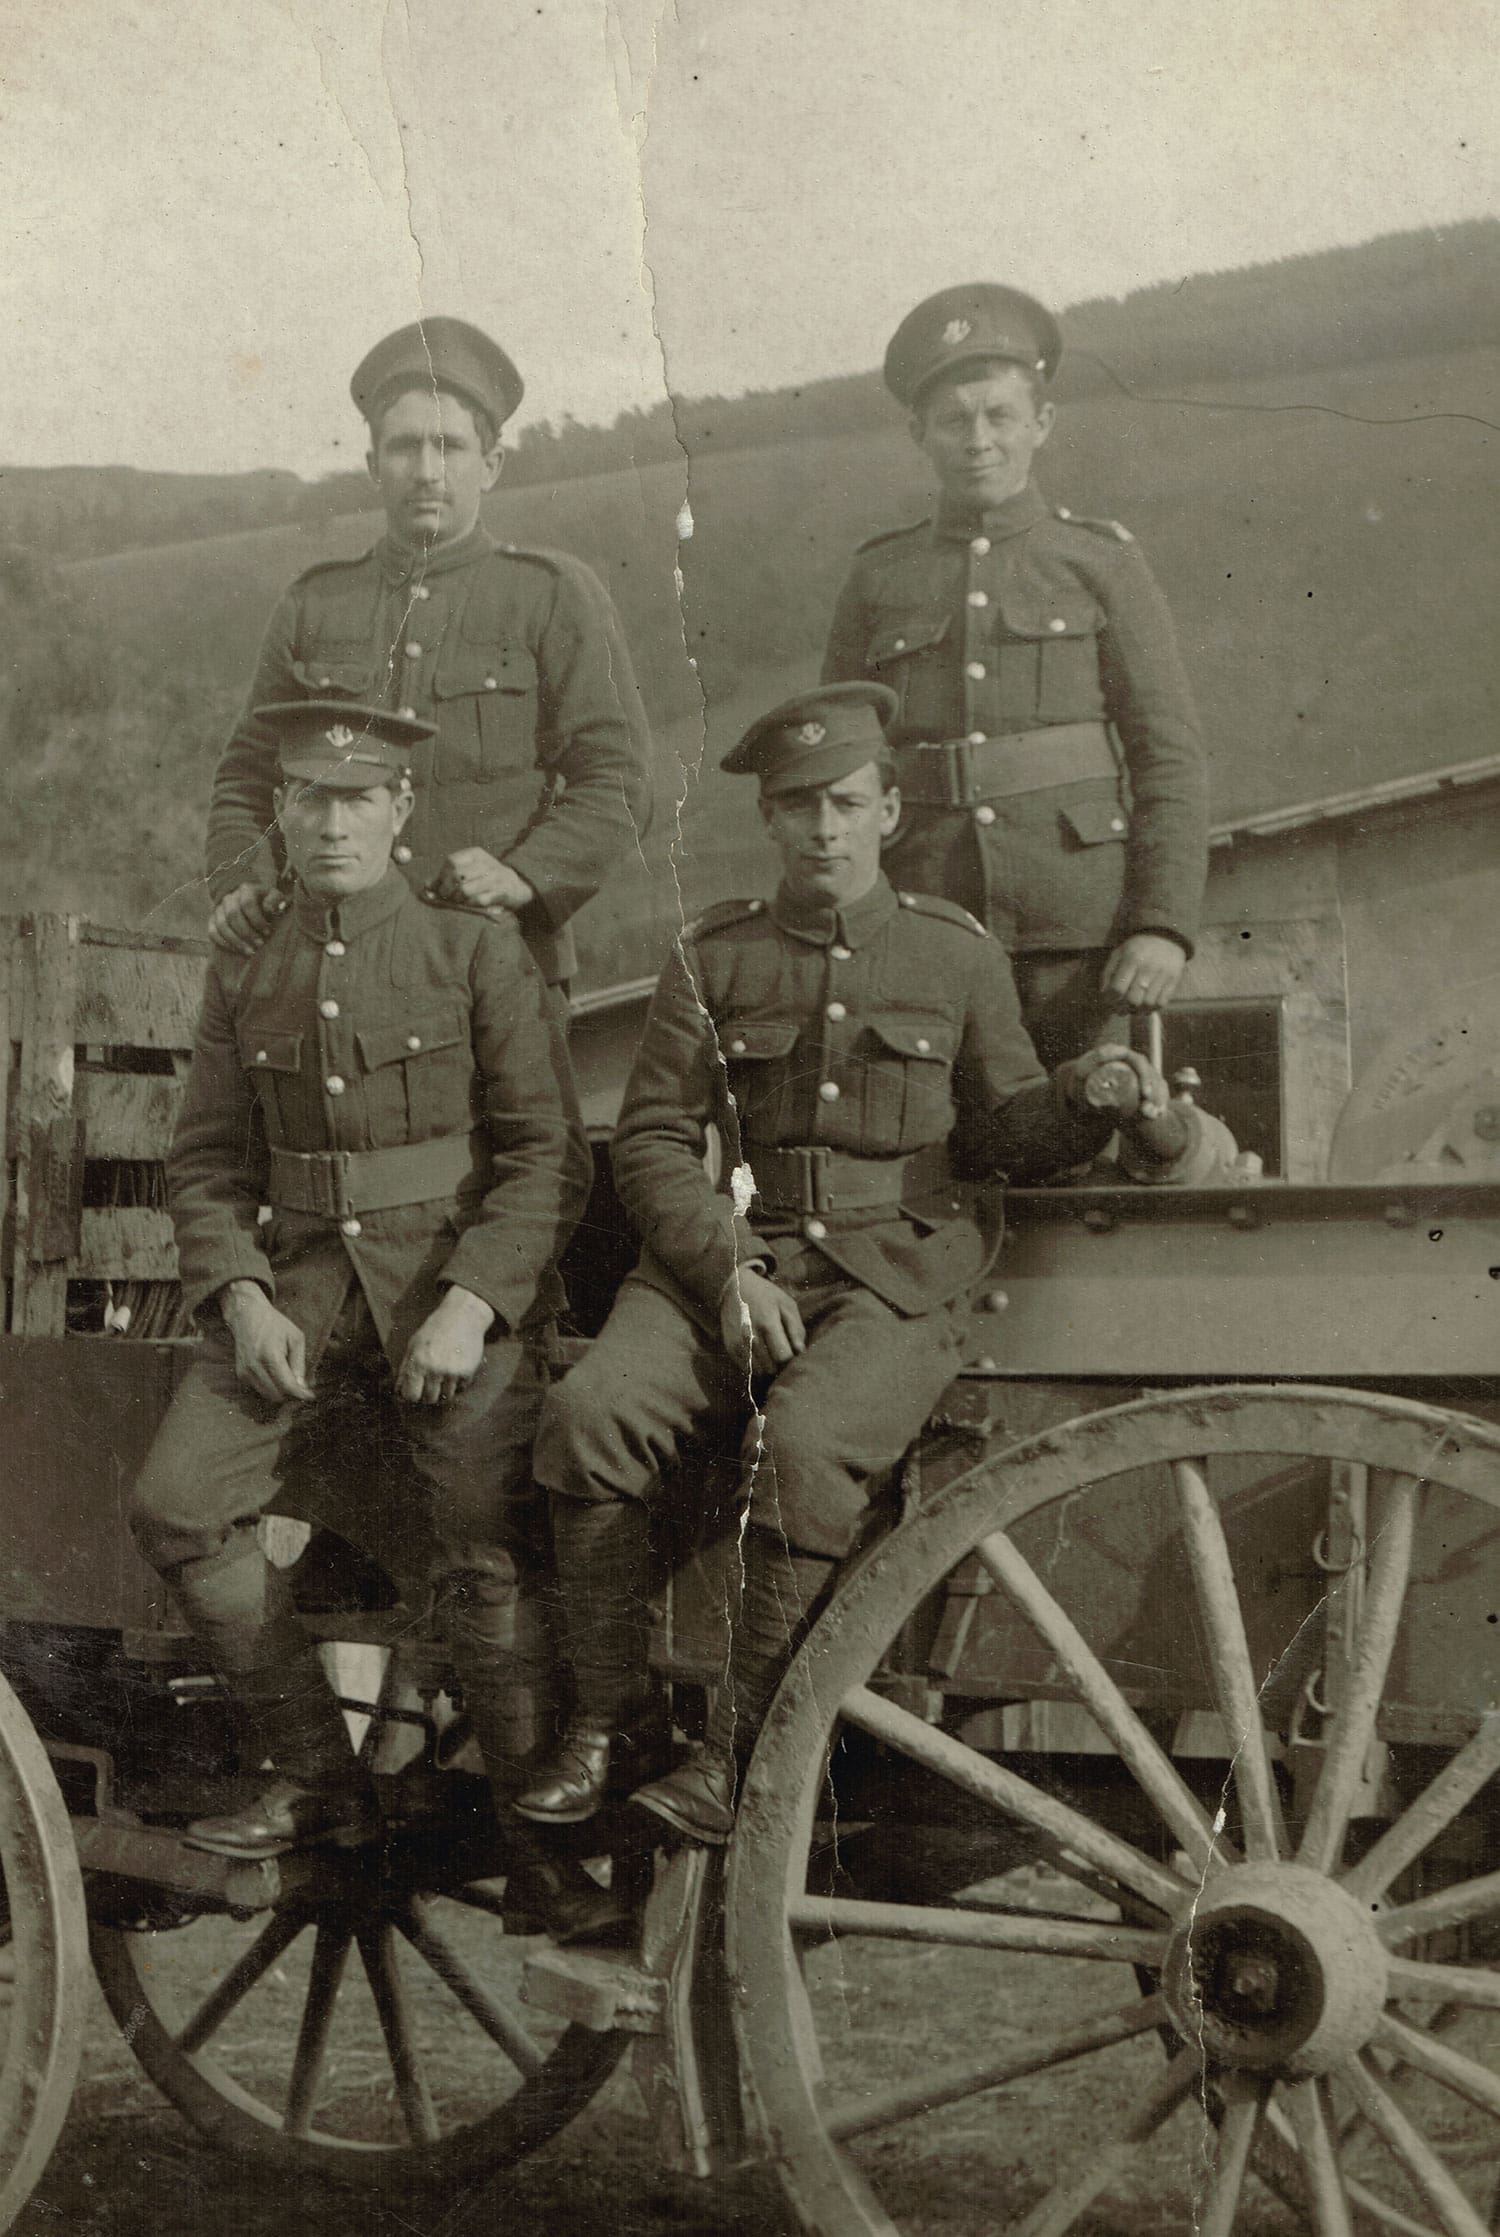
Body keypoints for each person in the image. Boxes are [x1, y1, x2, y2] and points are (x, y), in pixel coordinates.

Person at [512, 682, 1168, 1844]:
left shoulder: (954, 953)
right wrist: (725, 1270)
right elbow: (657, 1136)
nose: (822, 827)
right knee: (590, 1411)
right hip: (737, 1258)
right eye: (797, 805)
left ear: (891, 811)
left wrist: (1082, 1099)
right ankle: (613, 1725)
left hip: (899, 1271)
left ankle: (743, 1751)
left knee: (807, 1447)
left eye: (846, 802)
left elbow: (1004, 1130)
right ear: (767, 820)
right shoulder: (714, 955)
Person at [131, 700, 593, 1868]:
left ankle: (545, 1868)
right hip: (301, 1298)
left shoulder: (472, 949)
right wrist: (238, 1293)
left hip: (446, 1300)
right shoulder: (249, 967)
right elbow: (206, 1160)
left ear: (401, 808)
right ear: (280, 814)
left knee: (485, 1551)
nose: (331, 822)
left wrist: (474, 1299)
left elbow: (547, 1154)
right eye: (308, 800)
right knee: (179, 1504)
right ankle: (319, 1780)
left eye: (356, 799)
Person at [204, 316, 652, 996]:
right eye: (404, 447)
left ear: (492, 465)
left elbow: (617, 777)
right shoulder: (314, 604)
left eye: (450, 446)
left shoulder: (551, 595)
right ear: (372, 465)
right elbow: (245, 776)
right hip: (333, 970)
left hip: (498, 964)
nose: (427, 472)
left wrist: (524, 876)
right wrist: (242, 883)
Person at [821, 283, 1208, 1069]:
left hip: (1080, 935)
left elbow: (1167, 755)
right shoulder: (878, 577)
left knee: (1088, 1138)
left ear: (1042, 424)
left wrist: (1161, 924)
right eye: (955, 420)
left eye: (999, 414)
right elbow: (833, 766)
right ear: (918, 433)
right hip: (921, 921)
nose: (979, 439)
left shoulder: (1101, 563)